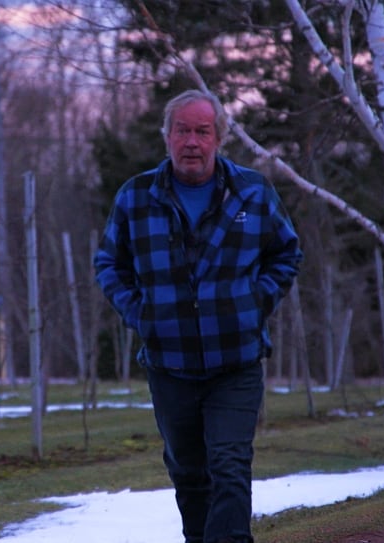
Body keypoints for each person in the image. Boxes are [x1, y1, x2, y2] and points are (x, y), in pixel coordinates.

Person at [93, 89, 302, 543]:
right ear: (167, 137)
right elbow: (109, 263)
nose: (192, 141)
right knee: (190, 475)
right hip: (170, 363)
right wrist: (140, 313)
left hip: (236, 360)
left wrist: (254, 303)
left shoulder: (252, 191)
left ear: (219, 138)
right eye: (182, 131)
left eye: (202, 132)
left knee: (229, 467)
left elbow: (286, 253)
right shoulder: (136, 196)